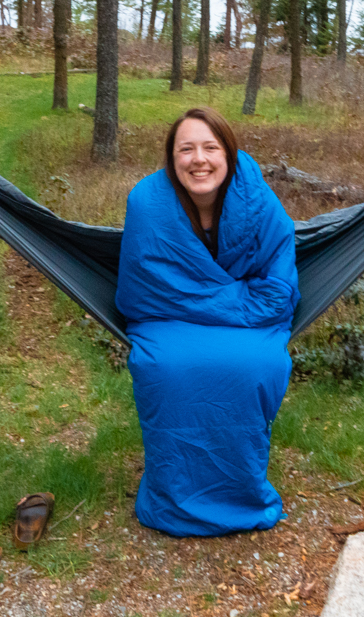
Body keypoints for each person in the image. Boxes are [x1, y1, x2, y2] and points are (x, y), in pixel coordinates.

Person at [116, 106, 299, 537]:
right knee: (163, 367)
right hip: (165, 320)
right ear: (171, 157)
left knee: (258, 365)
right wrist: (231, 298)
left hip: (249, 323)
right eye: (186, 149)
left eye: (210, 147)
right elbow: (141, 293)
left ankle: (241, 495)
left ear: (228, 154)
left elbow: (277, 287)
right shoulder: (147, 201)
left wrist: (206, 300)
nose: (199, 159)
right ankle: (172, 501)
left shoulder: (256, 199)